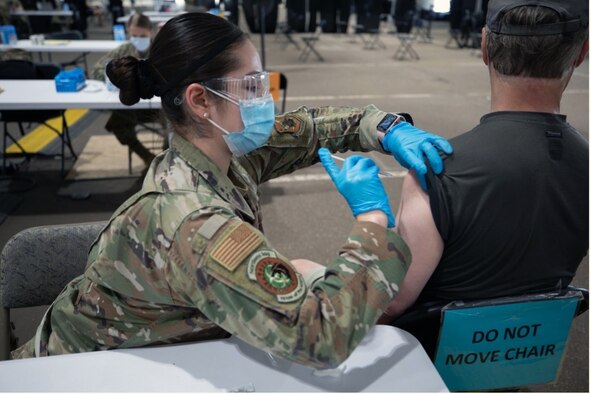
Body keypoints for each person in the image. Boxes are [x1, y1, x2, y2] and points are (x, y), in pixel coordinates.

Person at [11, 12, 453, 366]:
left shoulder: (221, 148)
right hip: (69, 376)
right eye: (252, 85)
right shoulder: (193, 220)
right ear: (200, 100)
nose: (264, 99)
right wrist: (373, 220)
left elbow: (312, 129)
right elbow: (318, 337)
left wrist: (385, 127)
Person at [378, 0, 589, 356]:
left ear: (484, 47)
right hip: (519, 355)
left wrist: (371, 225)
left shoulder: (436, 170)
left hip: (430, 362)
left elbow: (389, 302)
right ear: (582, 52)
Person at [91, 12, 159, 166]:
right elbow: (97, 69)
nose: (138, 39)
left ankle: (166, 158)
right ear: (128, 32)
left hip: (158, 106)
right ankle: (146, 156)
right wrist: (118, 79)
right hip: (132, 106)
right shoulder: (123, 51)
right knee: (117, 122)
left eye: (142, 36)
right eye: (134, 35)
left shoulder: (160, 50)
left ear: (150, 32)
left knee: (176, 122)